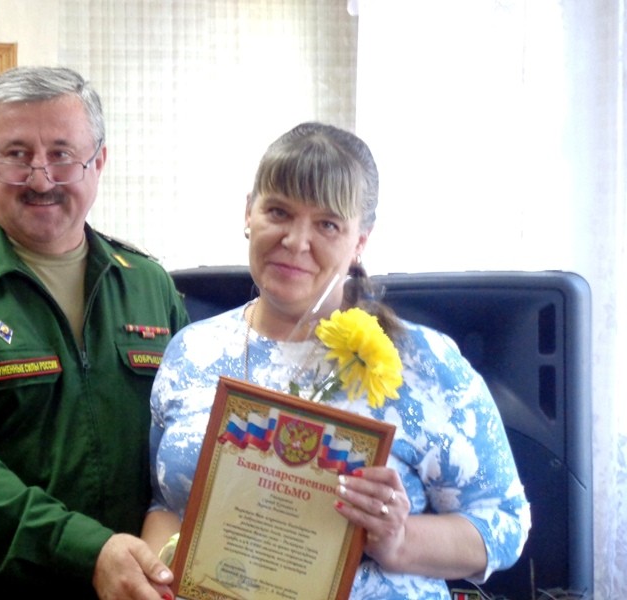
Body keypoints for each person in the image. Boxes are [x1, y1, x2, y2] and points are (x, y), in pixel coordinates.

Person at [142, 122, 531, 599]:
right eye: (279, 211)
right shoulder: (191, 351)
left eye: (327, 224)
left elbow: (505, 524)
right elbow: (167, 503)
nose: (296, 241)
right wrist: (157, 582)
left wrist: (400, 540)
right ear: (248, 212)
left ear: (360, 241)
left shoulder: (422, 363)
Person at [0, 66, 189, 599]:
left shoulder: (148, 283)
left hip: (137, 586)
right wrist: (88, 551)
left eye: (62, 154)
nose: (41, 179)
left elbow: (189, 434)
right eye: (16, 155)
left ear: (99, 161)